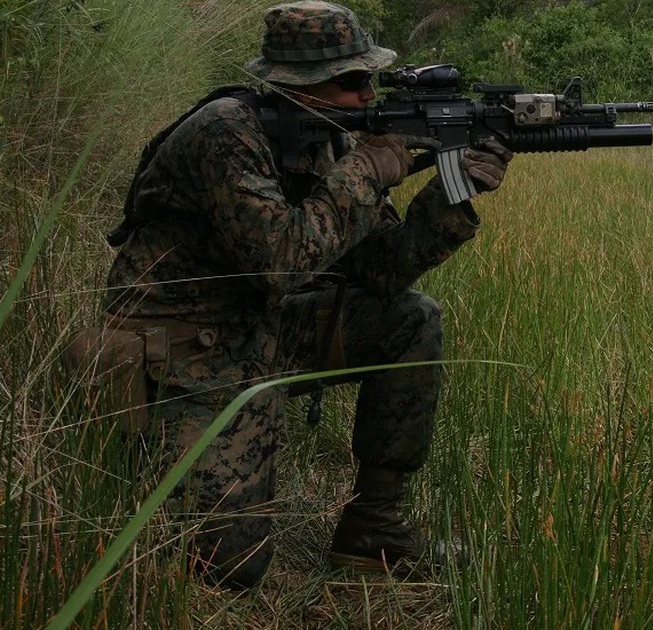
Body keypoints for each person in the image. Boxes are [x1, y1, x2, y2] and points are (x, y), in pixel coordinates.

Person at [100, 1, 512, 589]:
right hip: (186, 349)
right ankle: (137, 466)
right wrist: (366, 173)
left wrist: (452, 198)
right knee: (226, 569)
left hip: (267, 328)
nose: (369, 95)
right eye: (352, 82)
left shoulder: (333, 140)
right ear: (300, 87)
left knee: (411, 320)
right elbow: (283, 263)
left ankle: (374, 529)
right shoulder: (225, 133)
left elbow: (380, 270)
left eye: (371, 78)